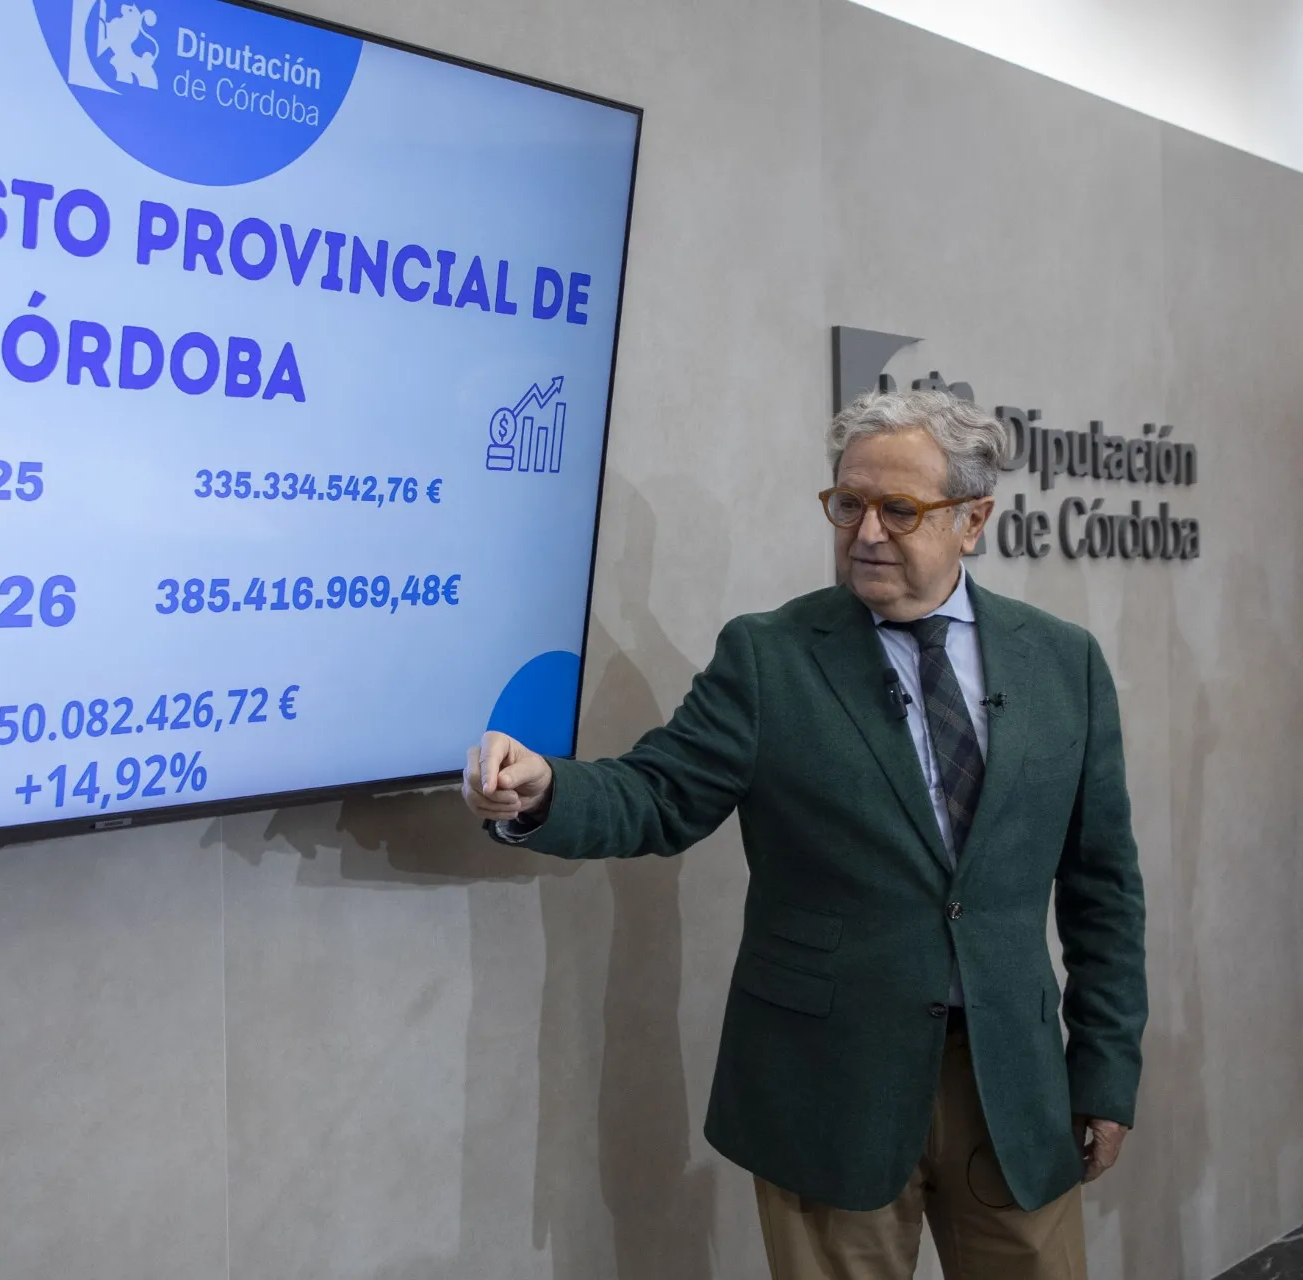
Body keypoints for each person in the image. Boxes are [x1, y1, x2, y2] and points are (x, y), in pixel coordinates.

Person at [464, 390, 1146, 1280]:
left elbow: (1104, 889)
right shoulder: (769, 656)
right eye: (847, 503)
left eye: (899, 509)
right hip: (831, 1084)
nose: (866, 532)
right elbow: (658, 792)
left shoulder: (1063, 661)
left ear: (973, 520)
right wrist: (546, 791)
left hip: (1010, 1081)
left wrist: (1104, 1071)